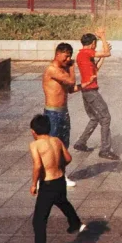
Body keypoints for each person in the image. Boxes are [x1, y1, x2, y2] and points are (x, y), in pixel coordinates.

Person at [29, 114, 86, 243]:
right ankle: (75, 223)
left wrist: (34, 184)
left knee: (39, 221)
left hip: (47, 184)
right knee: (62, 201)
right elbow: (68, 159)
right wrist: (58, 166)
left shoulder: (35, 145)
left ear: (33, 132)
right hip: (60, 180)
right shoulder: (56, 141)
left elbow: (37, 166)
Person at [42, 42, 91, 187]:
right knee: (52, 147)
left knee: (63, 145)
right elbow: (70, 80)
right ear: (57, 54)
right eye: (66, 56)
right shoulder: (52, 70)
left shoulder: (61, 70)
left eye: (70, 56)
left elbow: (69, 89)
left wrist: (85, 85)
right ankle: (45, 178)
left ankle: (61, 175)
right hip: (52, 113)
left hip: (63, 112)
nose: (68, 59)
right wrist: (72, 67)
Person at [73, 29, 119, 161]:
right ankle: (105, 150)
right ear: (93, 43)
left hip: (87, 92)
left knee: (94, 118)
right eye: (96, 43)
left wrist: (102, 57)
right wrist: (103, 37)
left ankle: (81, 142)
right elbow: (107, 53)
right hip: (91, 92)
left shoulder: (84, 55)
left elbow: (96, 68)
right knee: (105, 118)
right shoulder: (86, 52)